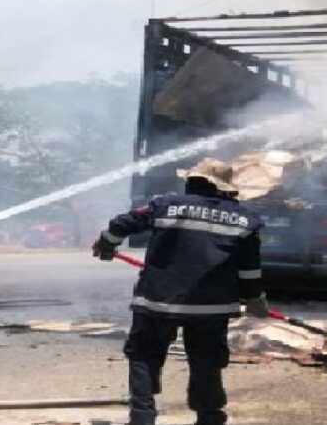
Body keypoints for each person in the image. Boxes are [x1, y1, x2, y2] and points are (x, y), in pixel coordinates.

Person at [93, 158, 269, 425]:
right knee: (207, 361)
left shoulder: (165, 205)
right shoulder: (244, 219)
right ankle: (209, 416)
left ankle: (142, 417)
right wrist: (255, 299)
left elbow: (121, 224)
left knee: (144, 357)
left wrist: (107, 245)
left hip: (157, 302)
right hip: (211, 307)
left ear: (191, 182)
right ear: (223, 188)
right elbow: (249, 269)